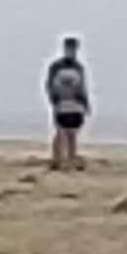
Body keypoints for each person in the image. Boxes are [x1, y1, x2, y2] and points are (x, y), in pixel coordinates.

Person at [44, 37, 90, 173]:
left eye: (73, 48)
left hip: (75, 104)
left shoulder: (79, 67)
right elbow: (49, 84)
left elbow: (82, 87)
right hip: (61, 103)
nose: (71, 51)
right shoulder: (56, 66)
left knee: (72, 133)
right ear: (64, 48)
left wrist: (85, 103)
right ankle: (57, 160)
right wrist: (53, 99)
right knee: (60, 132)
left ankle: (71, 159)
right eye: (69, 48)